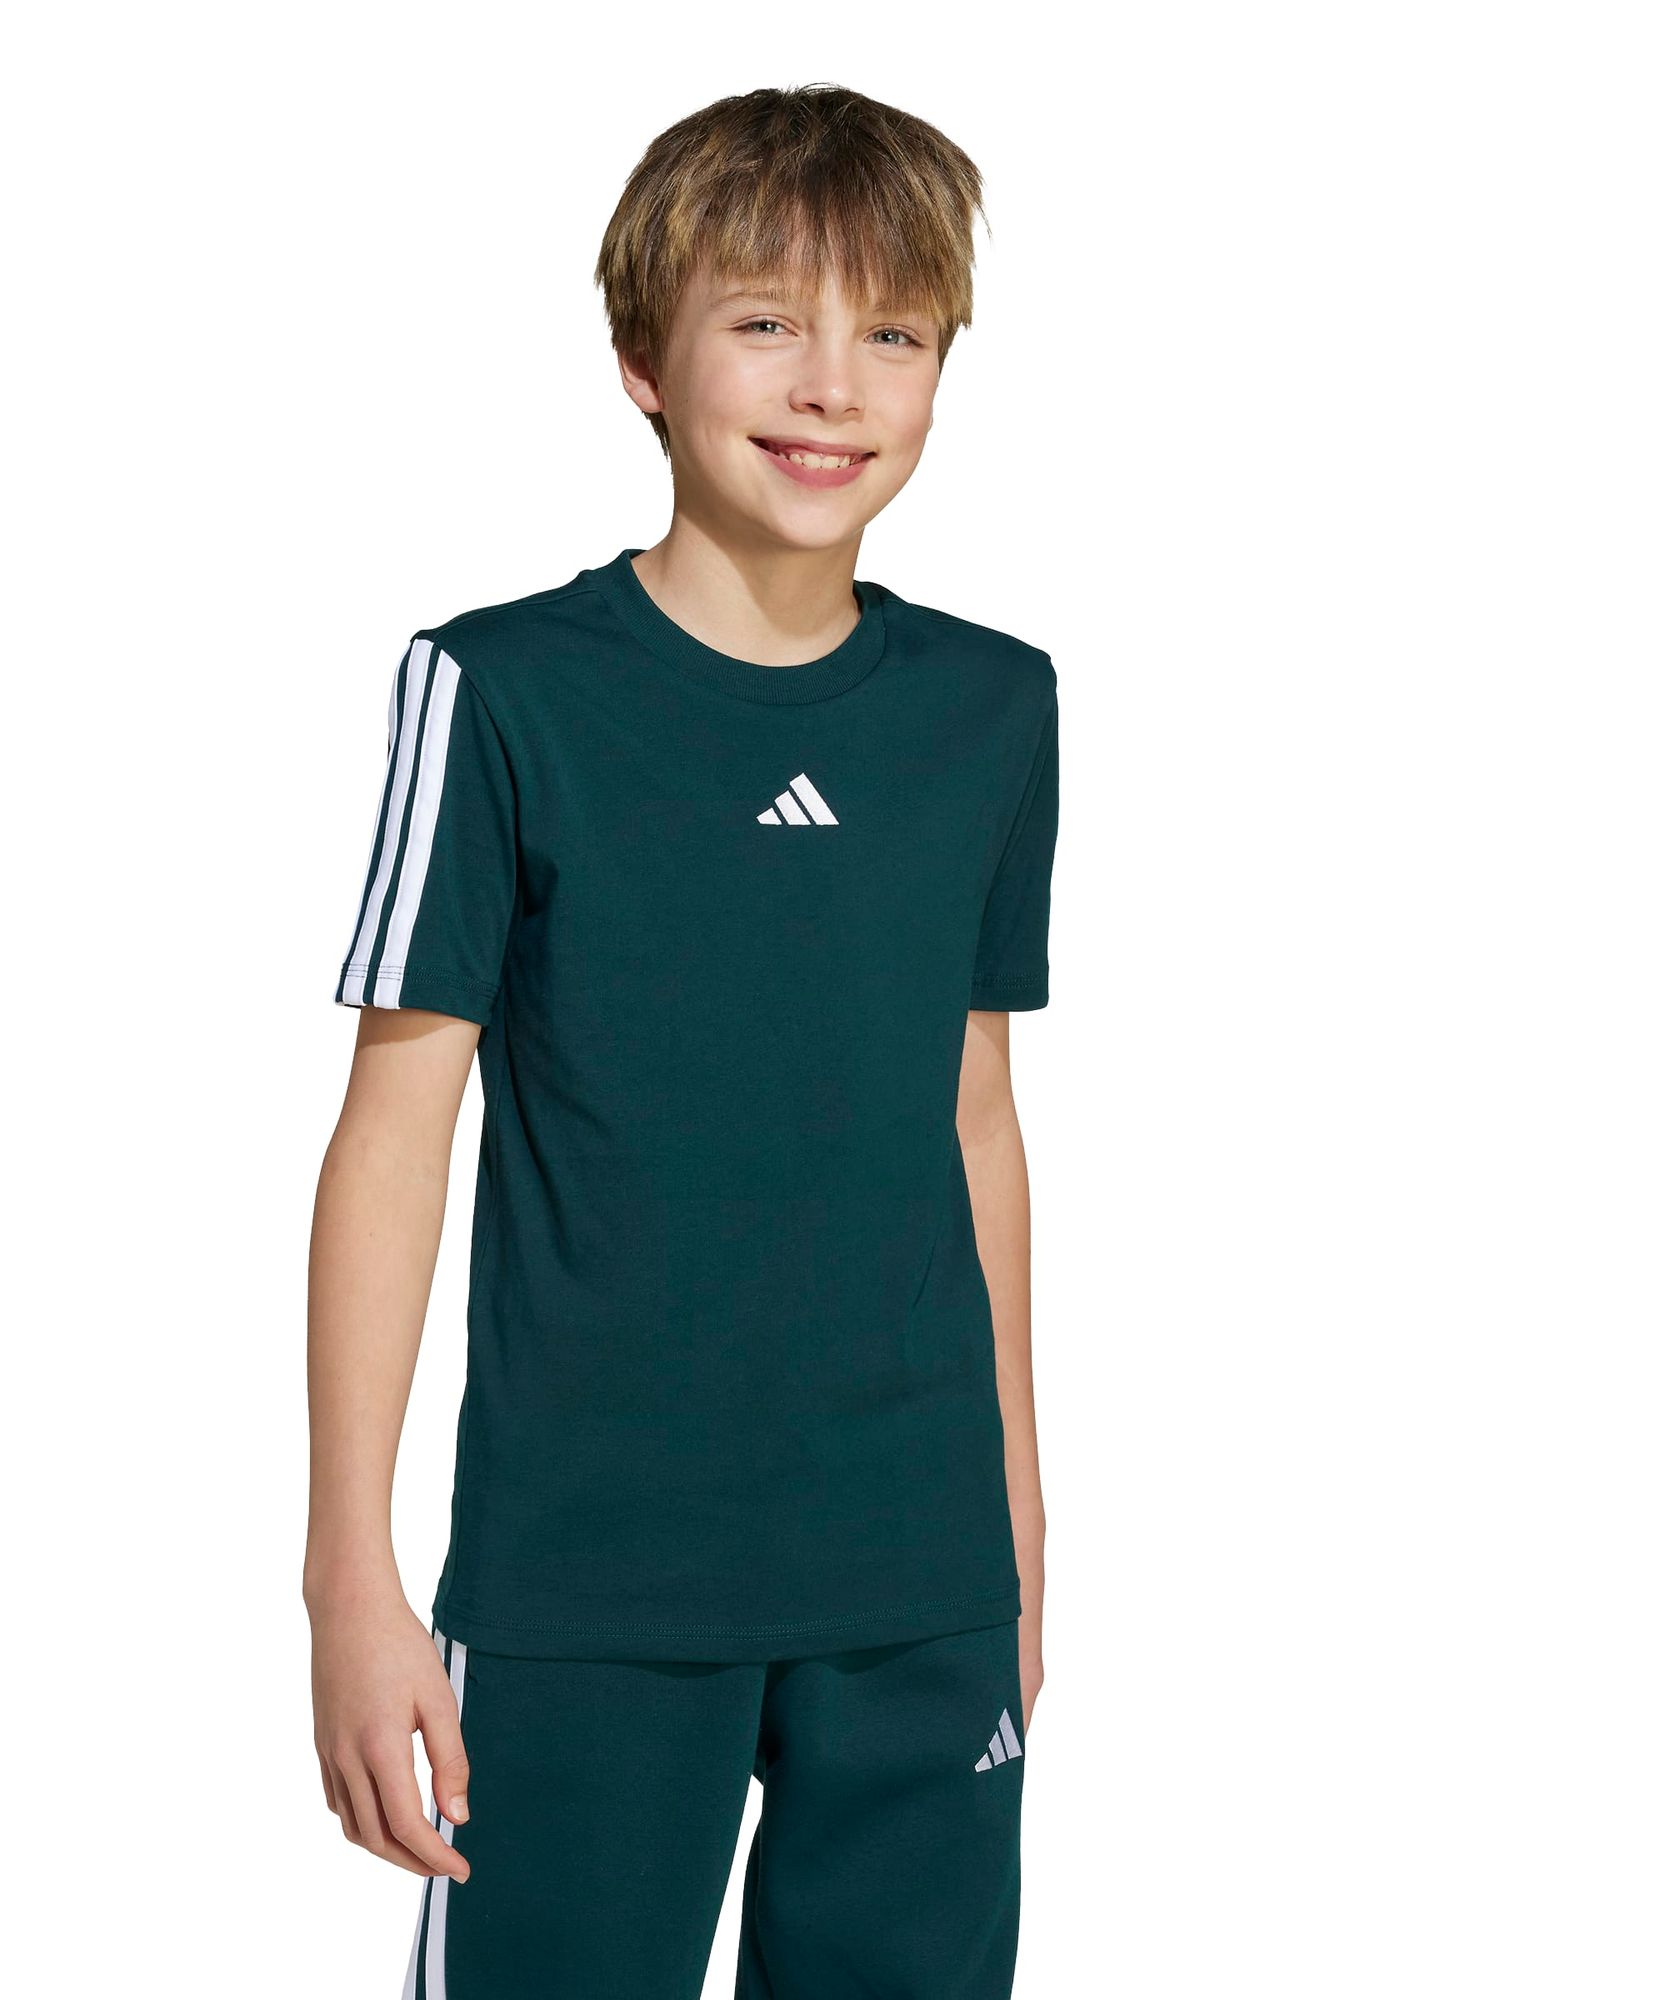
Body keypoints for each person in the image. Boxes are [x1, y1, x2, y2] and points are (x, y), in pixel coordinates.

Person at [306, 81, 1061, 1998]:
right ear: (643, 359)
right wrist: (349, 1576)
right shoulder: (501, 693)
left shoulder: (993, 707)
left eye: (894, 332)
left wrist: (1018, 1523)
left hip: (919, 1581)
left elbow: (975, 1119)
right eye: (767, 321)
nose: (832, 387)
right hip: (588, 1588)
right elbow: (394, 1134)